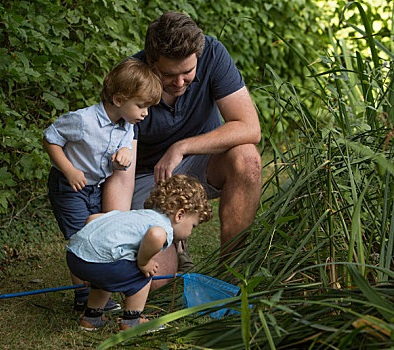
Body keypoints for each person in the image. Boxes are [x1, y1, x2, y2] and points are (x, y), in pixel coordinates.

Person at [102, 11, 262, 288]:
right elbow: (121, 174)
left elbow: (250, 127)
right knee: (154, 280)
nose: (179, 83)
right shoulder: (128, 80)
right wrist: (111, 230)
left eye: (188, 72)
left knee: (247, 159)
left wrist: (182, 147)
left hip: (200, 163)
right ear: (150, 62)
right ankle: (174, 241)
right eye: (168, 75)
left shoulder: (212, 53)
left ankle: (232, 274)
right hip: (147, 179)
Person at [43, 58, 163, 311]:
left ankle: (96, 291)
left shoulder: (127, 125)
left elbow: (124, 145)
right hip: (68, 186)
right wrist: (69, 169)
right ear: (119, 99)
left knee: (98, 231)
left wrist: (125, 154)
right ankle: (84, 297)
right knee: (79, 237)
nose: (145, 113)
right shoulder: (83, 121)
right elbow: (50, 138)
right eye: (141, 106)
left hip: (95, 187)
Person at [66, 175, 212, 331]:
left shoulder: (140, 215)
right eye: (193, 226)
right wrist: (144, 263)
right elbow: (156, 235)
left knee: (108, 268)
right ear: (180, 215)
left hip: (76, 256)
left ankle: (92, 318)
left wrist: (88, 261)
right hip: (95, 263)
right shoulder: (164, 227)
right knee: (144, 273)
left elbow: (92, 219)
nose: (190, 232)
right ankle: (131, 321)